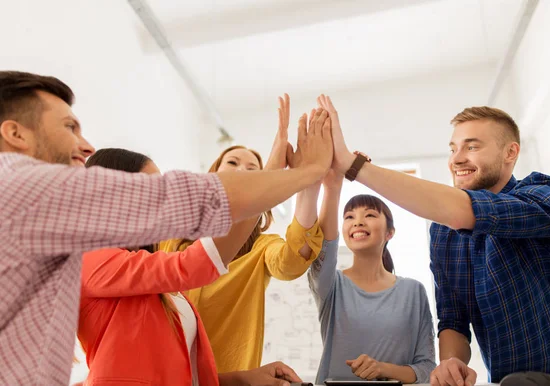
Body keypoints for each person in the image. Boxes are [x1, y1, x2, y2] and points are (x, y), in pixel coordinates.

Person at [0, 70, 333, 386]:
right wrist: (306, 171)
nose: (86, 146)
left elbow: (165, 371)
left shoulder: (71, 244)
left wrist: (241, 378)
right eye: (70, 127)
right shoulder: (53, 217)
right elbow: (196, 238)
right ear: (15, 133)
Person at [317, 94, 550, 384]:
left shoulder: (547, 195)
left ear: (510, 152)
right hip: (510, 381)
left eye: (472, 146)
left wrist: (353, 165)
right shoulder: (443, 233)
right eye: (453, 149)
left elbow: (466, 210)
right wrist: (451, 361)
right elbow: (453, 318)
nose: (457, 159)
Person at [77, 148, 303, 386]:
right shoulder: (90, 260)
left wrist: (243, 379)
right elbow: (194, 264)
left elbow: (179, 377)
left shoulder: (157, 284)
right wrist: (281, 177)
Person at [160, 94, 325, 372]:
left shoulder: (261, 248)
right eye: (233, 163)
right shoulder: (172, 236)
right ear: (213, 173)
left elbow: (293, 260)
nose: (242, 172)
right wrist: (271, 174)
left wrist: (308, 184)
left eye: (253, 169)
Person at [308, 168, 435, 384]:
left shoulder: (413, 292)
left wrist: (383, 369)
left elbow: (427, 369)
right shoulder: (330, 285)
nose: (357, 222)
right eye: (349, 216)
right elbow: (324, 247)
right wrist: (332, 186)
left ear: (389, 232)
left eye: (369, 215)